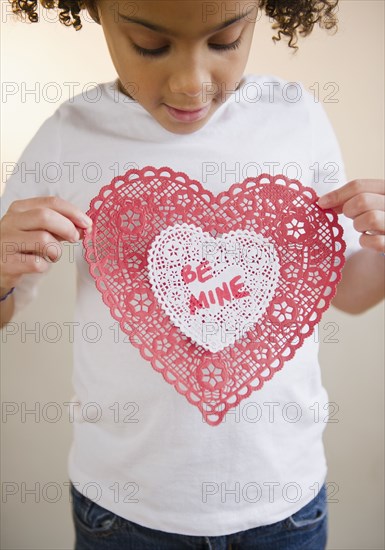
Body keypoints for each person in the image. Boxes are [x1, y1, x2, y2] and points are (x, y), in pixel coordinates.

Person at [1, 1, 384, 549]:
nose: (191, 84)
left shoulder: (295, 118)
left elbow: (345, 288)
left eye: (226, 41)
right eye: (150, 46)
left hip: (284, 504)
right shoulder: (69, 138)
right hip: (125, 513)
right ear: (91, 9)